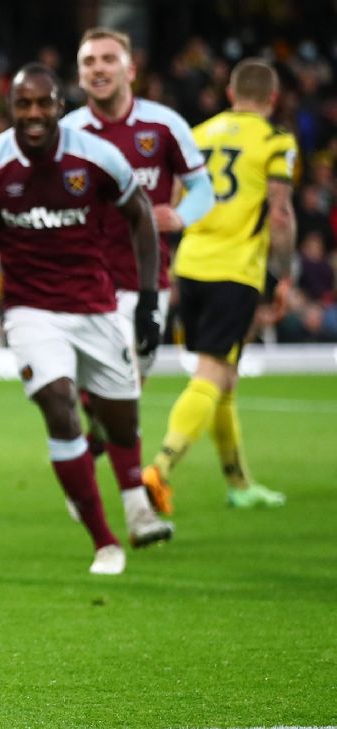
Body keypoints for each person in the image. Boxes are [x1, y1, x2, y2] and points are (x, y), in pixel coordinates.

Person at [0, 63, 171, 575]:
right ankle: (104, 542)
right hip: (30, 311)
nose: (33, 113)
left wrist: (147, 301)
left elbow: (140, 216)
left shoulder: (97, 157)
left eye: (42, 103)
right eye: (23, 104)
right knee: (57, 402)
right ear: (9, 109)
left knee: (120, 423)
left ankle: (130, 502)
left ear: (59, 107)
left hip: (95, 306)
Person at [59, 28, 213, 519]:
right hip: (86, 280)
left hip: (147, 281)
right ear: (80, 74)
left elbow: (203, 189)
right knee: (109, 383)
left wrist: (182, 217)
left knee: (126, 386)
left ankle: (93, 446)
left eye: (108, 59)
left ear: (129, 69)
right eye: (89, 62)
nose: (98, 69)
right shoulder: (68, 132)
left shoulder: (164, 125)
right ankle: (130, 501)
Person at [142, 59, 295, 512]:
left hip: (191, 265)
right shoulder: (276, 141)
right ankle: (160, 468)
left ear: (230, 93)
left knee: (223, 376)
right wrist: (282, 276)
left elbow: (173, 201)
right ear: (272, 98)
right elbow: (280, 214)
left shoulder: (198, 134)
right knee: (212, 372)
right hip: (236, 269)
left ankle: (238, 483)